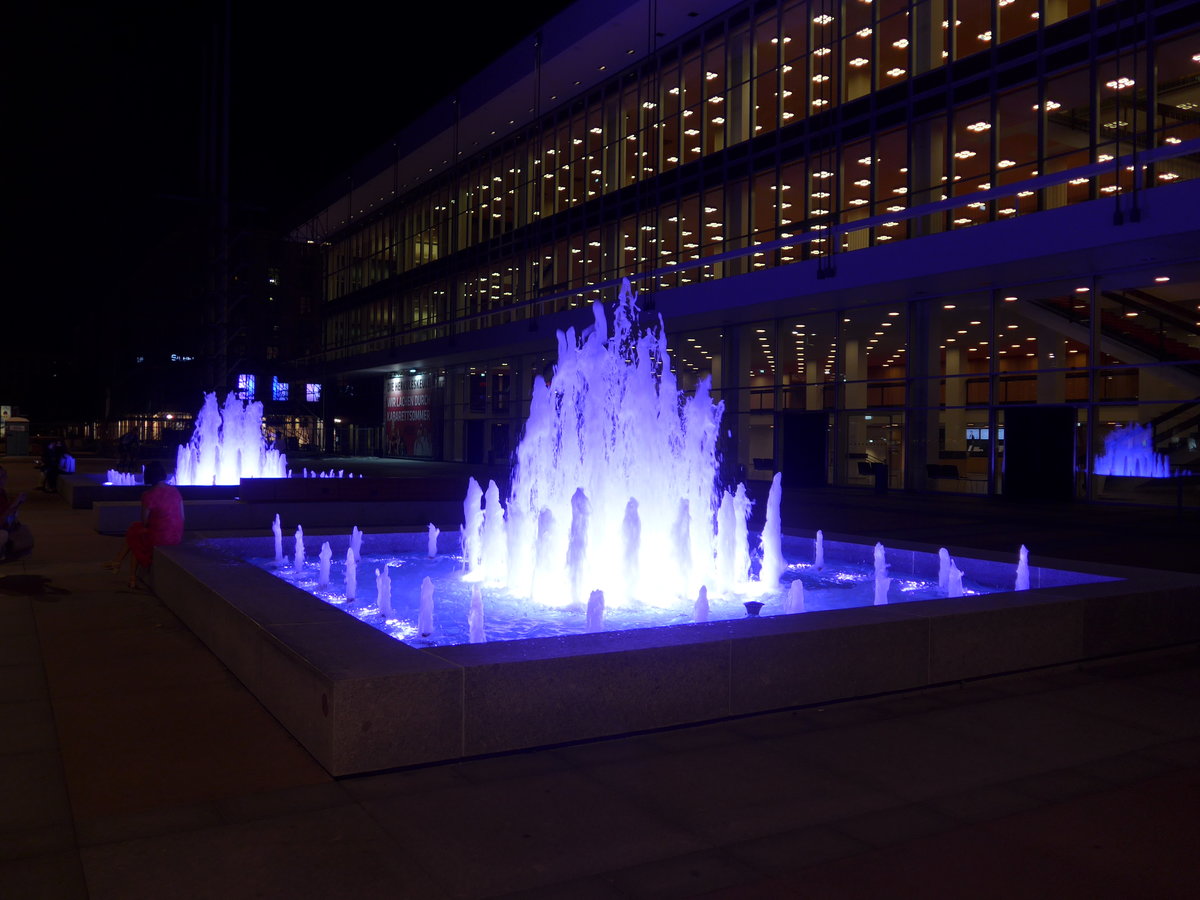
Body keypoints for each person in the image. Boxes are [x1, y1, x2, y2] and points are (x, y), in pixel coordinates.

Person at [105, 461, 184, 588]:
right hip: (176, 535)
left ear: (148, 476)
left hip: (160, 537)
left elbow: (144, 521)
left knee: (134, 533)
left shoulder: (148, 495)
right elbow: (182, 516)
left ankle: (123, 568)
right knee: (136, 533)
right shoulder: (175, 491)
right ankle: (121, 567)